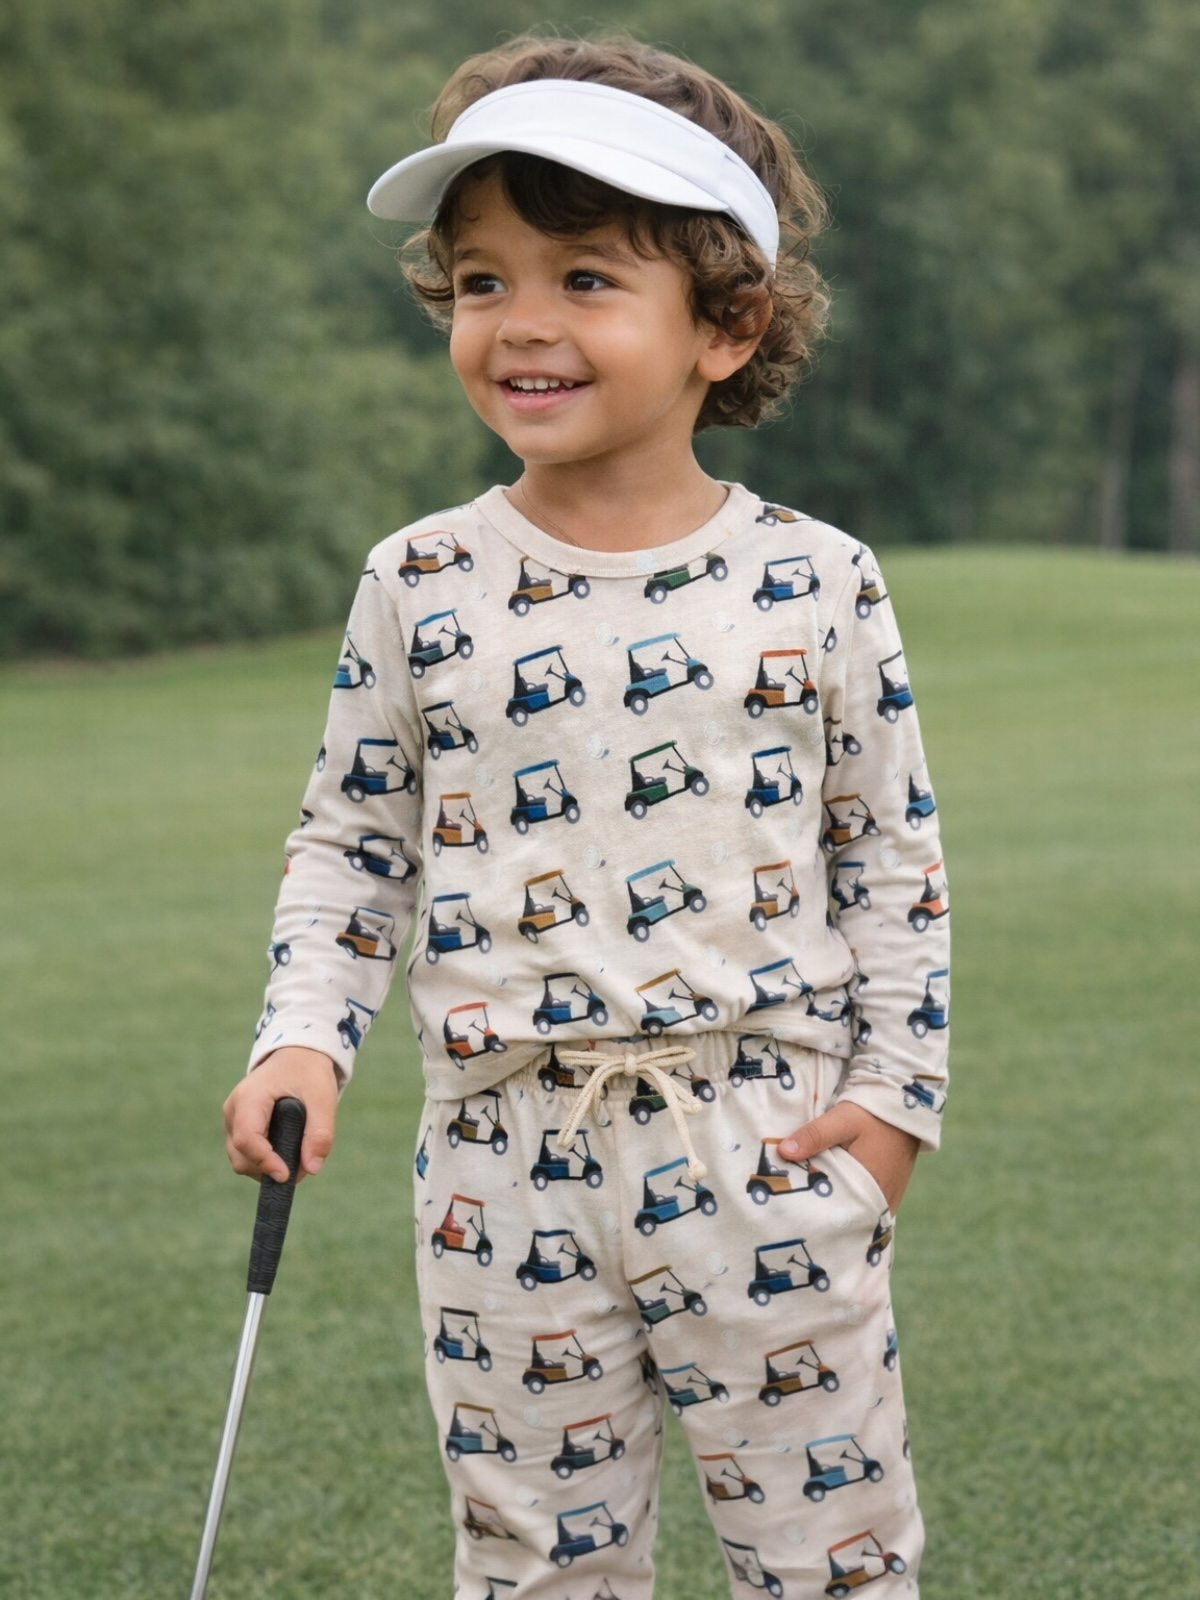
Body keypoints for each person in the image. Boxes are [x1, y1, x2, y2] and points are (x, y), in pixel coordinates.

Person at [223, 33, 950, 1599]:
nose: (522, 324)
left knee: (828, 1565)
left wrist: (895, 1107)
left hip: (762, 1140)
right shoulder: (418, 581)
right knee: (539, 1569)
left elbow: (889, 859)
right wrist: (301, 1040)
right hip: (502, 1163)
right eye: (483, 280)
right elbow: (355, 846)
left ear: (726, 325)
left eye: (588, 279)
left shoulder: (818, 581)